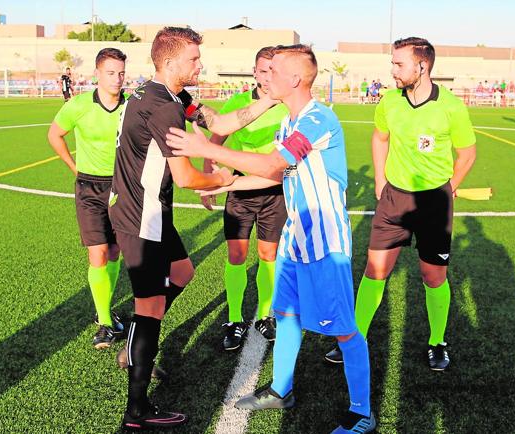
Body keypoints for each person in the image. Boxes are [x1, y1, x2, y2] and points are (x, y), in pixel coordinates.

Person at [166, 44, 375, 434]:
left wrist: (207, 150)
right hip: (296, 239)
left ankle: (362, 412)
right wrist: (224, 184)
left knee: (344, 328)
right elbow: (275, 176)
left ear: (294, 79)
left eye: (273, 70)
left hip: (325, 244)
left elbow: (271, 164)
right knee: (286, 315)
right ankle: (281, 389)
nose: (266, 77)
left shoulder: (317, 120)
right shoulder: (289, 123)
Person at [108, 27, 278, 430]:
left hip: (151, 211)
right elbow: (185, 177)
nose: (201, 65)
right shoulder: (161, 107)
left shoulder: (171, 96)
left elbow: (223, 120)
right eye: (194, 60)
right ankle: (137, 410)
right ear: (169, 62)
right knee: (148, 308)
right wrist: (225, 179)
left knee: (183, 272)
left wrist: (272, 98)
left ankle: (136, 343)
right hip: (139, 216)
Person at [324, 37, 476, 372]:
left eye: (398, 63)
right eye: (392, 62)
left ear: (422, 66)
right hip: (393, 198)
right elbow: (379, 137)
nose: (392, 70)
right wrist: (379, 178)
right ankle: (353, 337)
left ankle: (437, 341)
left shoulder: (451, 107)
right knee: (374, 271)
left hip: (433, 202)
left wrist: (449, 187)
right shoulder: (390, 102)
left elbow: (467, 154)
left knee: (432, 276)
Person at [204, 46, 289, 351]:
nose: (269, 77)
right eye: (263, 70)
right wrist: (209, 175)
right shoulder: (238, 103)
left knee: (268, 256)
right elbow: (216, 137)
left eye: (274, 70)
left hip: (276, 191)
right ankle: (235, 319)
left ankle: (266, 316)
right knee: (237, 256)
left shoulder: (289, 105)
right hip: (240, 190)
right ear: (254, 72)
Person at [48, 48, 128, 349]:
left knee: (115, 252)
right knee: (98, 254)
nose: (117, 79)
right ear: (97, 74)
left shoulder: (130, 107)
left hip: (122, 188)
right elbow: (54, 135)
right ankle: (106, 324)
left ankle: (105, 306)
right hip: (89, 189)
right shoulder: (79, 105)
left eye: (121, 72)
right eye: (111, 72)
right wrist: (74, 167)